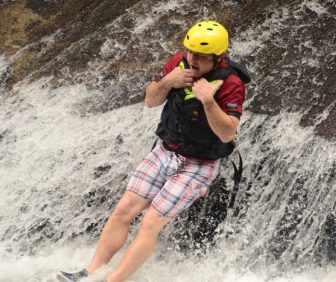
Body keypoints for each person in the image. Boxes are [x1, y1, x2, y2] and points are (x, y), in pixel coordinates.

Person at [57, 19, 248, 282]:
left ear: (218, 58)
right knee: (124, 210)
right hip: (164, 151)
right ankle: (90, 273)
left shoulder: (231, 84)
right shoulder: (178, 63)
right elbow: (150, 100)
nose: (193, 60)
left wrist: (207, 101)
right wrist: (168, 82)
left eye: (202, 57)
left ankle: (112, 281)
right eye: (191, 52)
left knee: (150, 222)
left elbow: (227, 132)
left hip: (198, 164)